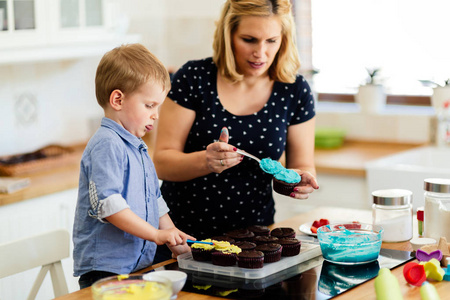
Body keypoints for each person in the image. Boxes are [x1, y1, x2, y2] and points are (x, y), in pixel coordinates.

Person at [153, 0, 319, 260]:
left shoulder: (294, 89)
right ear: (228, 35)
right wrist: (205, 161)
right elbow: (161, 162)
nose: (260, 53)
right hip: (181, 238)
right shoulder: (193, 78)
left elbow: (303, 165)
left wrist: (296, 181)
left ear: (284, 39)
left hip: (255, 243)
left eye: (271, 41)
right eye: (249, 39)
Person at [72, 43, 194, 289]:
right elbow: (110, 206)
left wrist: (173, 236)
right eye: (150, 105)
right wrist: (157, 235)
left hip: (135, 266)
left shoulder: (137, 147)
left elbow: (155, 199)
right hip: (105, 271)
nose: (156, 115)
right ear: (118, 99)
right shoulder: (107, 144)